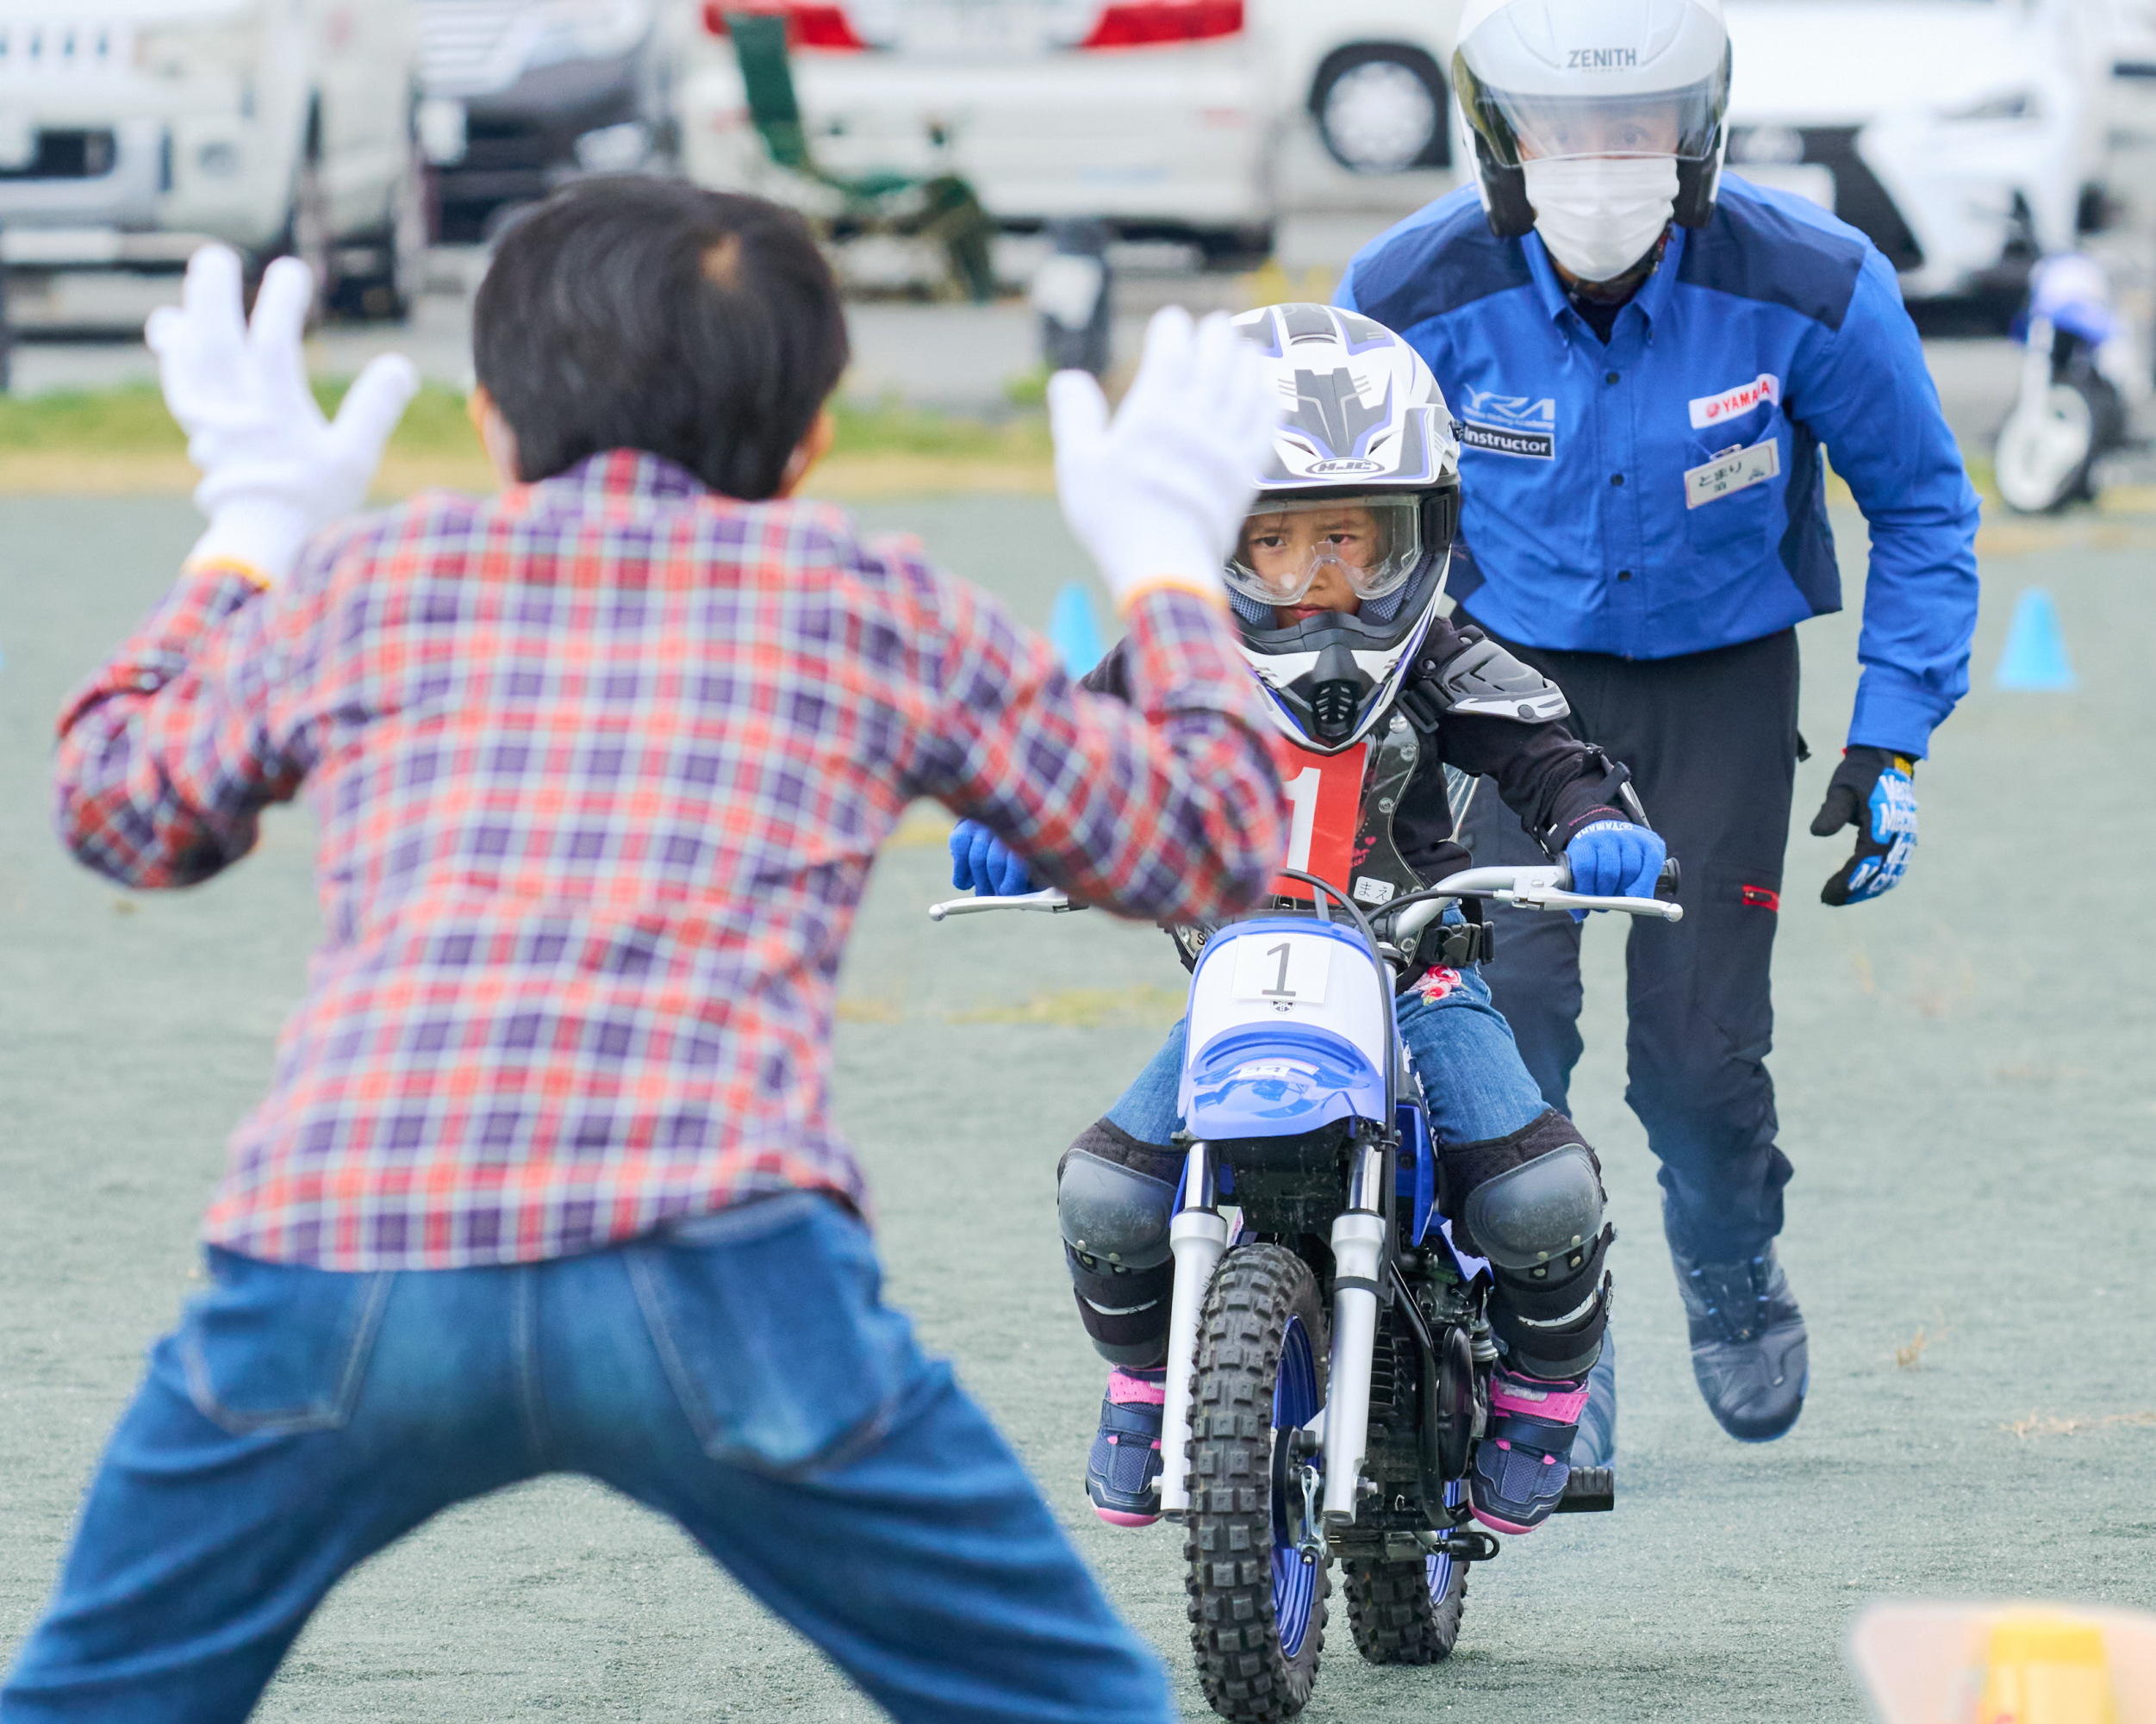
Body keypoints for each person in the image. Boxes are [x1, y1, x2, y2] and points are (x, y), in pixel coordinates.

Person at [7, 178, 1292, 1723]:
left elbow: (118, 808)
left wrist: (253, 525)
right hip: (720, 1264)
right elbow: (1209, 848)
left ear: (490, 420)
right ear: (812, 436)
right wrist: (1160, 560)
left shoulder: (372, 581)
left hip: (341, 1249)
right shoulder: (866, 599)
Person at [1334, 0, 1981, 1453]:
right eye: (1564, 133)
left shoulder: (1812, 281)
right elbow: (1321, 495)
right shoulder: (1409, 284)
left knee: (1696, 1059)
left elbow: (1924, 509)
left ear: (1696, 136)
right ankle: (1546, 1334)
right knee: (1512, 1032)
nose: (1600, 162)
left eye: (1632, 132)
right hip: (1504, 694)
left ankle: (1731, 1259)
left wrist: (1890, 738)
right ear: (1502, 145)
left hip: (1722, 683)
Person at [948, 304, 1670, 1535]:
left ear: (1418, 537)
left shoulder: (1439, 653)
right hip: (1246, 978)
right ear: (1212, 540)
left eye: (1350, 538)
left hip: (1416, 976)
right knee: (1108, 1196)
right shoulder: (1169, 656)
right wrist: (1015, 829)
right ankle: (1141, 1379)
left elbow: (1551, 755)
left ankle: (1546, 1391)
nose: (1314, 575)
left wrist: (1595, 825)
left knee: (1539, 1191)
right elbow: (1060, 755)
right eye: (1269, 541)